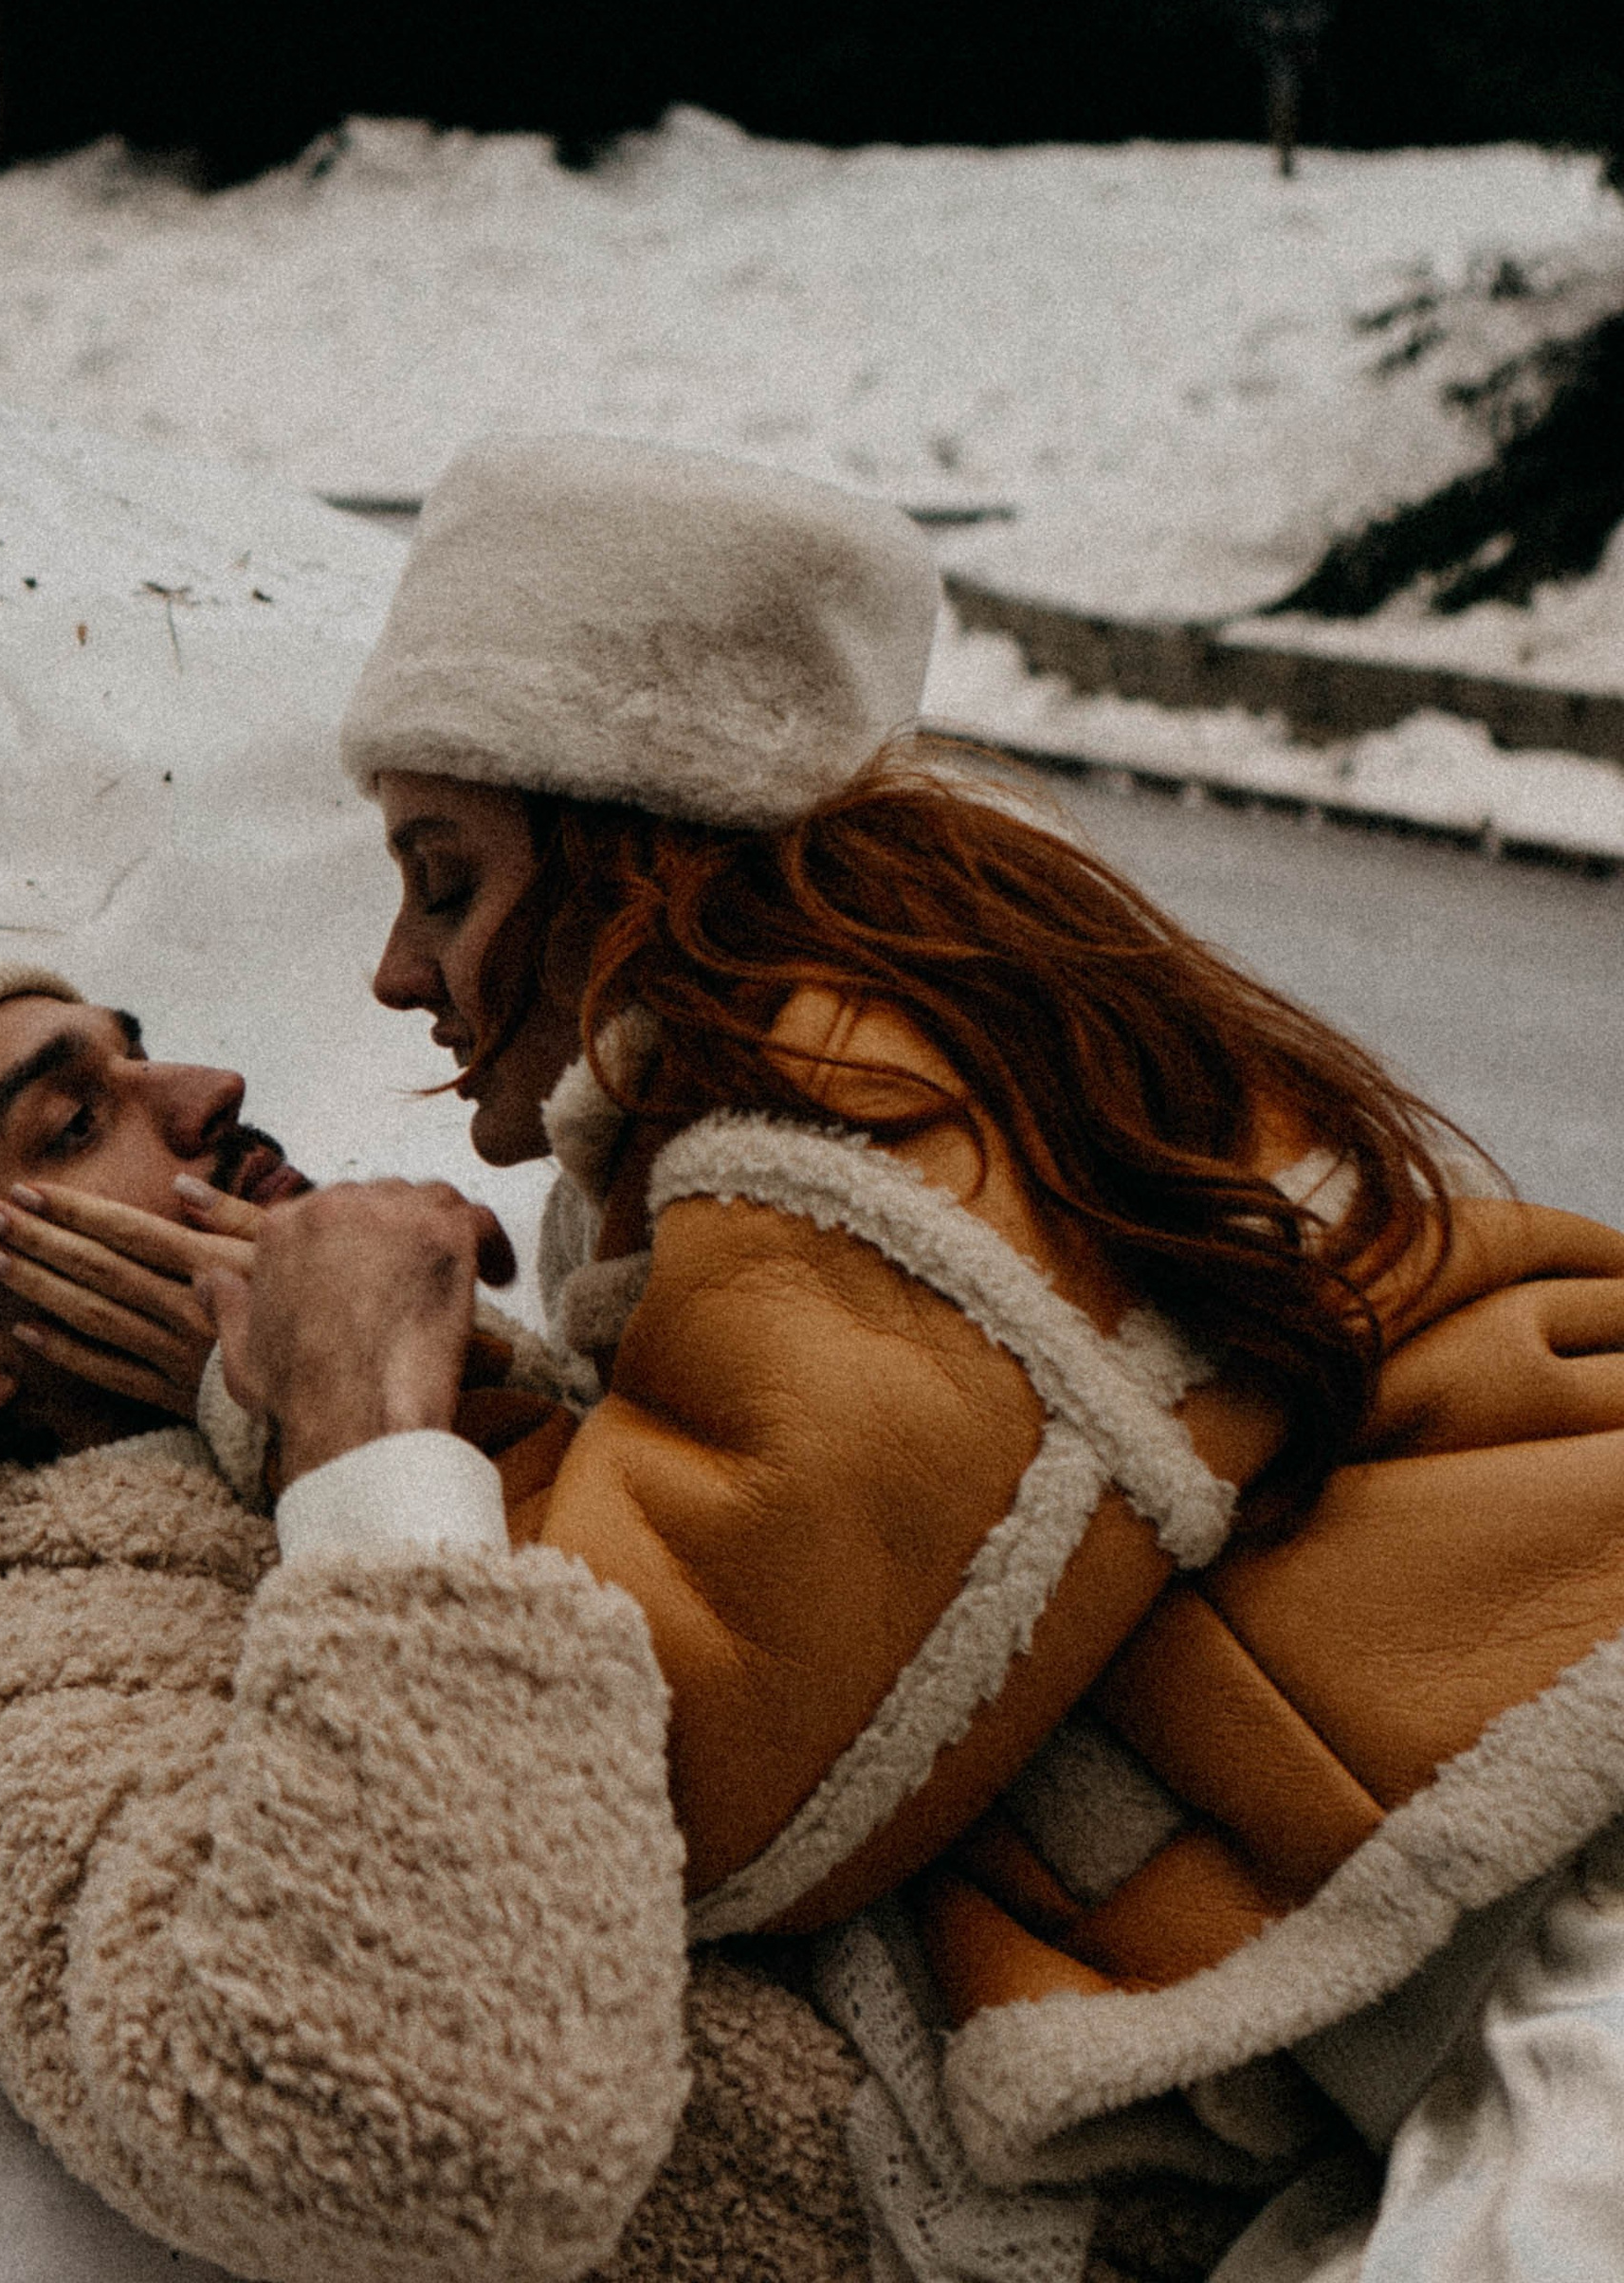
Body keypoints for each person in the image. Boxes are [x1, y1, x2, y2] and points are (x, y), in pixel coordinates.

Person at [196, 429, 1624, 2283]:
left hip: (1565, 1918)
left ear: (625, 847)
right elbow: (776, 1565)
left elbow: (646, 1785)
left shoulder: (858, 1125)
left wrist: (339, 1411)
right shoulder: (879, 1059)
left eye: (444, 875)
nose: (397, 971)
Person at [0, 955, 874, 2283]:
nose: (209, 1089)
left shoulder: (514, 1390)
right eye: (75, 1124)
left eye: (142, 1051)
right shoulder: (39, 1716)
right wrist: (358, 1423)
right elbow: (422, 2137)